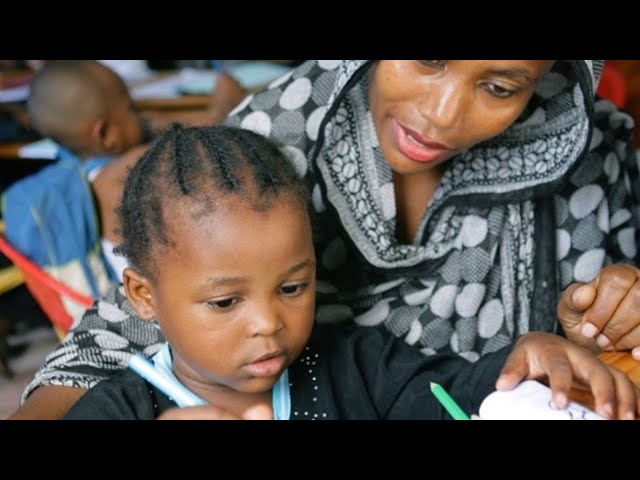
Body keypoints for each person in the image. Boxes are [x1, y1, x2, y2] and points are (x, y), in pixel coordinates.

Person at [11, 60, 640, 419]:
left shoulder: (350, 366)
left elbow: (457, 384)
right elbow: (104, 347)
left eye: (501, 86)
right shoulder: (263, 150)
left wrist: (590, 323)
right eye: (427, 57)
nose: (444, 114)